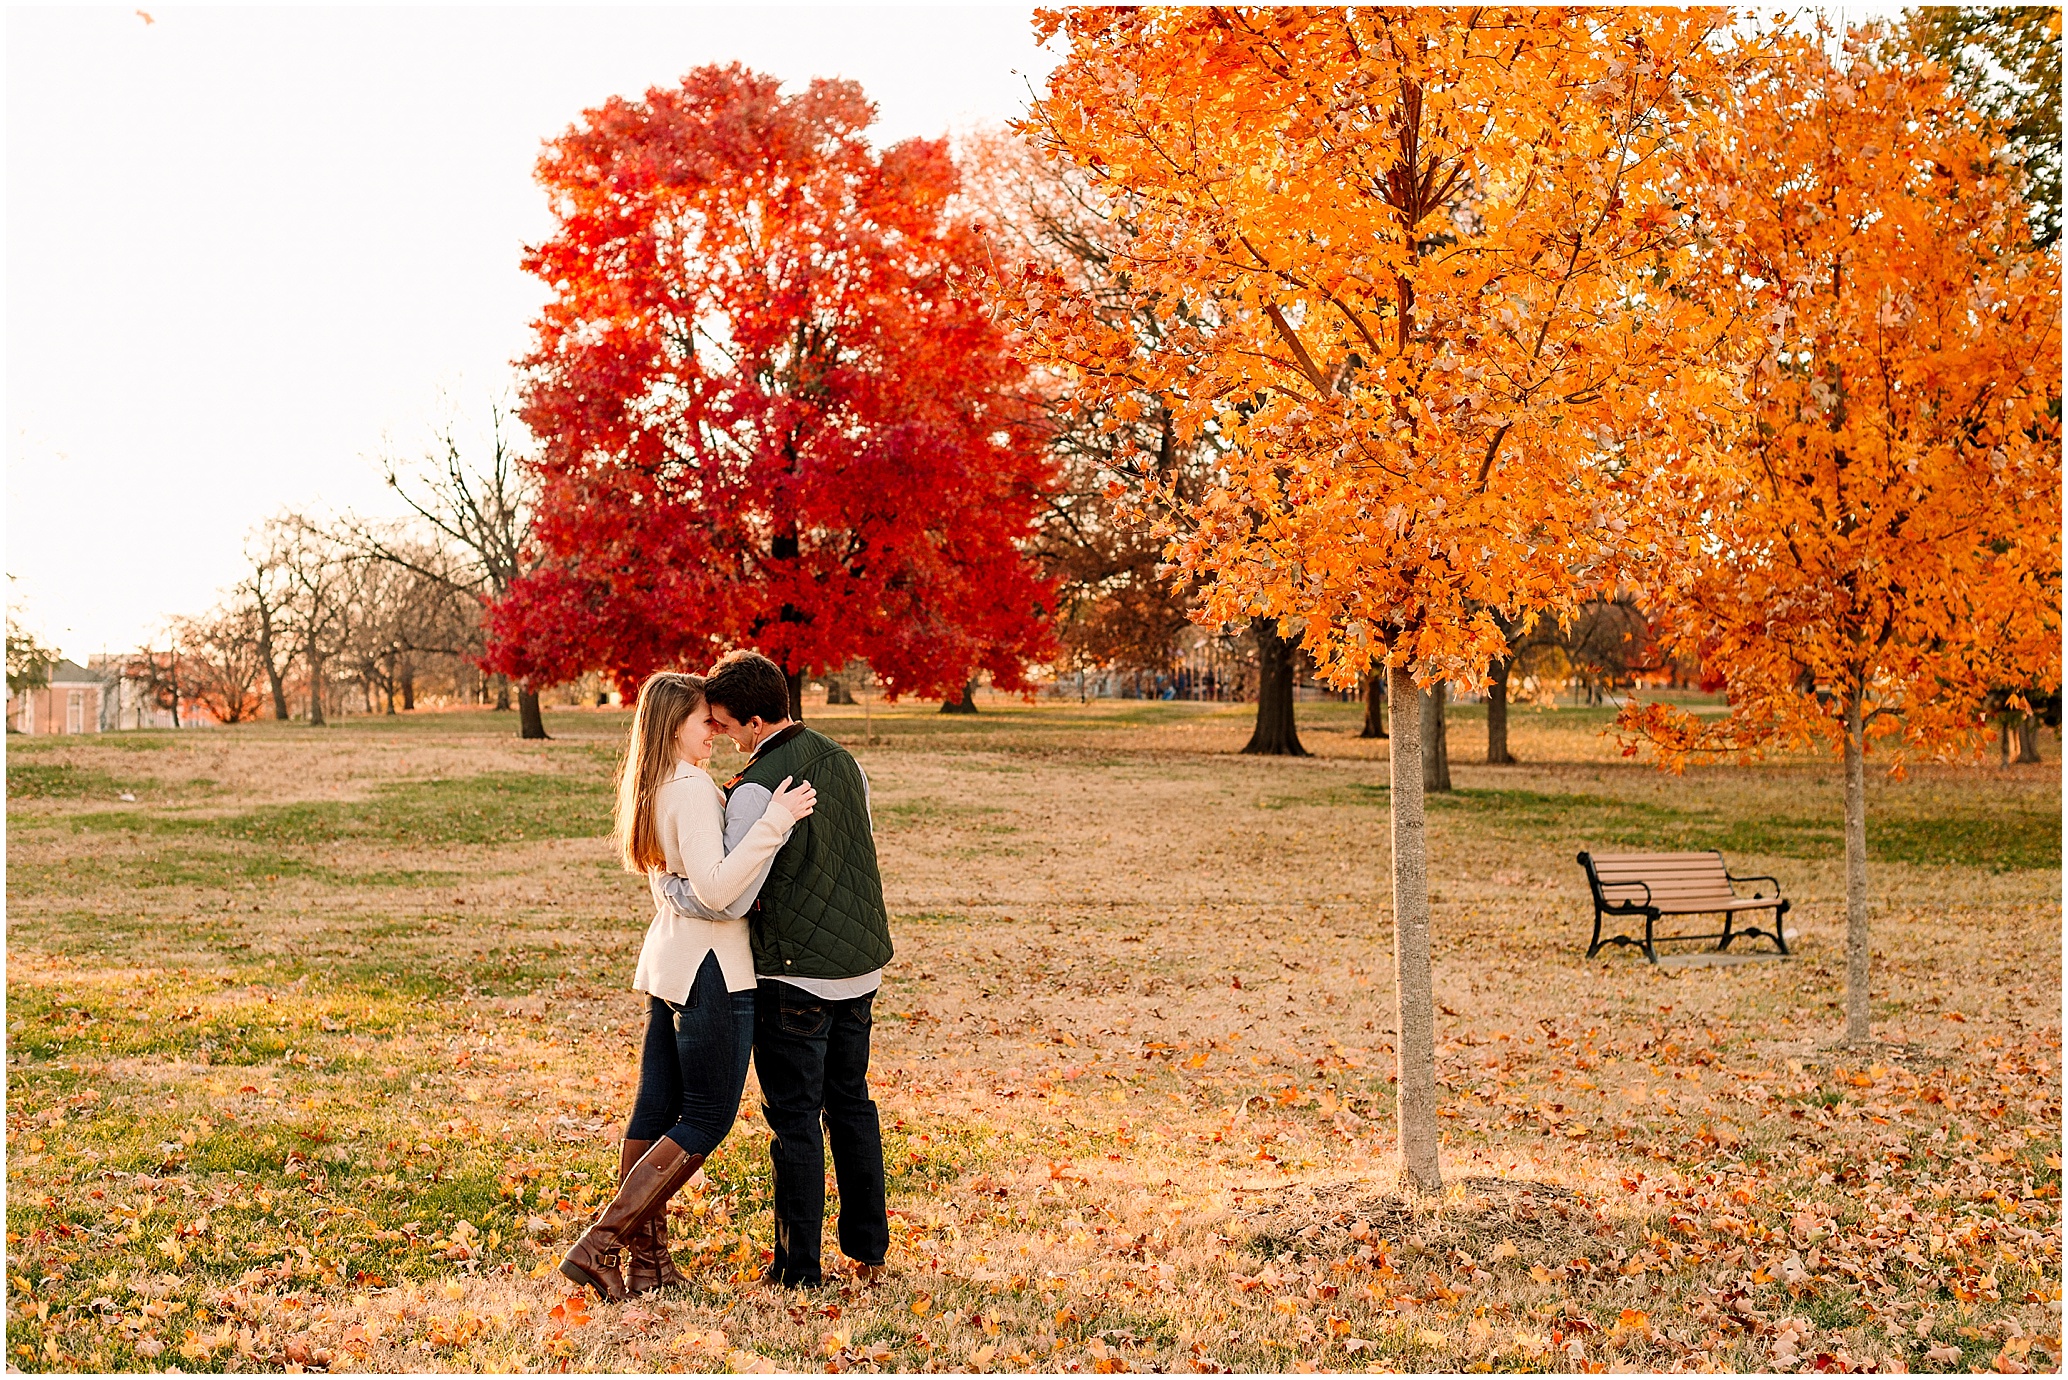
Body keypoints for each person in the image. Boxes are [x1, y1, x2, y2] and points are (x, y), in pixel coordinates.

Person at [559, 671, 818, 1302]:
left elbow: (672, 883)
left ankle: (651, 1265)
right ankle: (601, 1245)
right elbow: (719, 890)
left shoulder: (651, 785)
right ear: (676, 724)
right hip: (711, 970)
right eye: (706, 720)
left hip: (671, 962)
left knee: (654, 1111)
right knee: (706, 1116)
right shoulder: (692, 788)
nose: (716, 730)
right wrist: (774, 822)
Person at [657, 650, 893, 1287]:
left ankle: (798, 1267)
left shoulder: (756, 787)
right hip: (860, 966)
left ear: (758, 721)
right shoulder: (848, 762)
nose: (726, 736)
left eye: (730, 724)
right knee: (851, 1105)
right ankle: (868, 1249)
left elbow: (728, 894)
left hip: (794, 975)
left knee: (793, 1118)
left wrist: (674, 890)